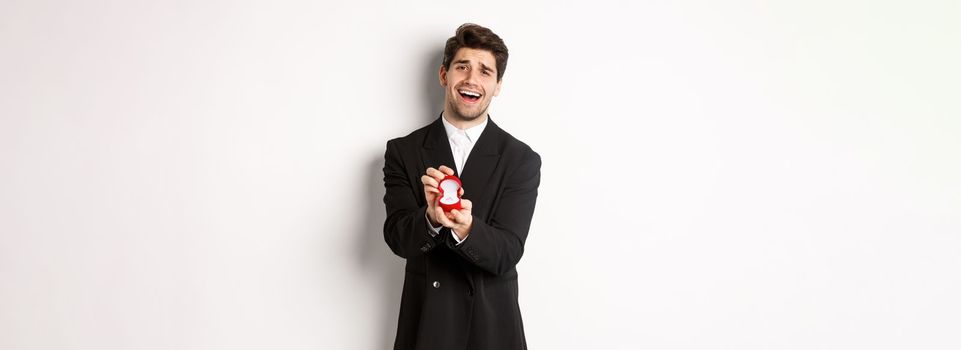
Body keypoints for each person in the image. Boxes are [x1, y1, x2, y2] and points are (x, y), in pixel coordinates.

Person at [382, 23, 541, 350]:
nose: (472, 79)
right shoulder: (404, 151)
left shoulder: (520, 159)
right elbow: (398, 239)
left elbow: (508, 252)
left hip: (491, 327)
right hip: (426, 323)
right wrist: (431, 218)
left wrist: (467, 228)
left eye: (485, 71)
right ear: (444, 75)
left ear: (497, 85)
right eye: (462, 67)